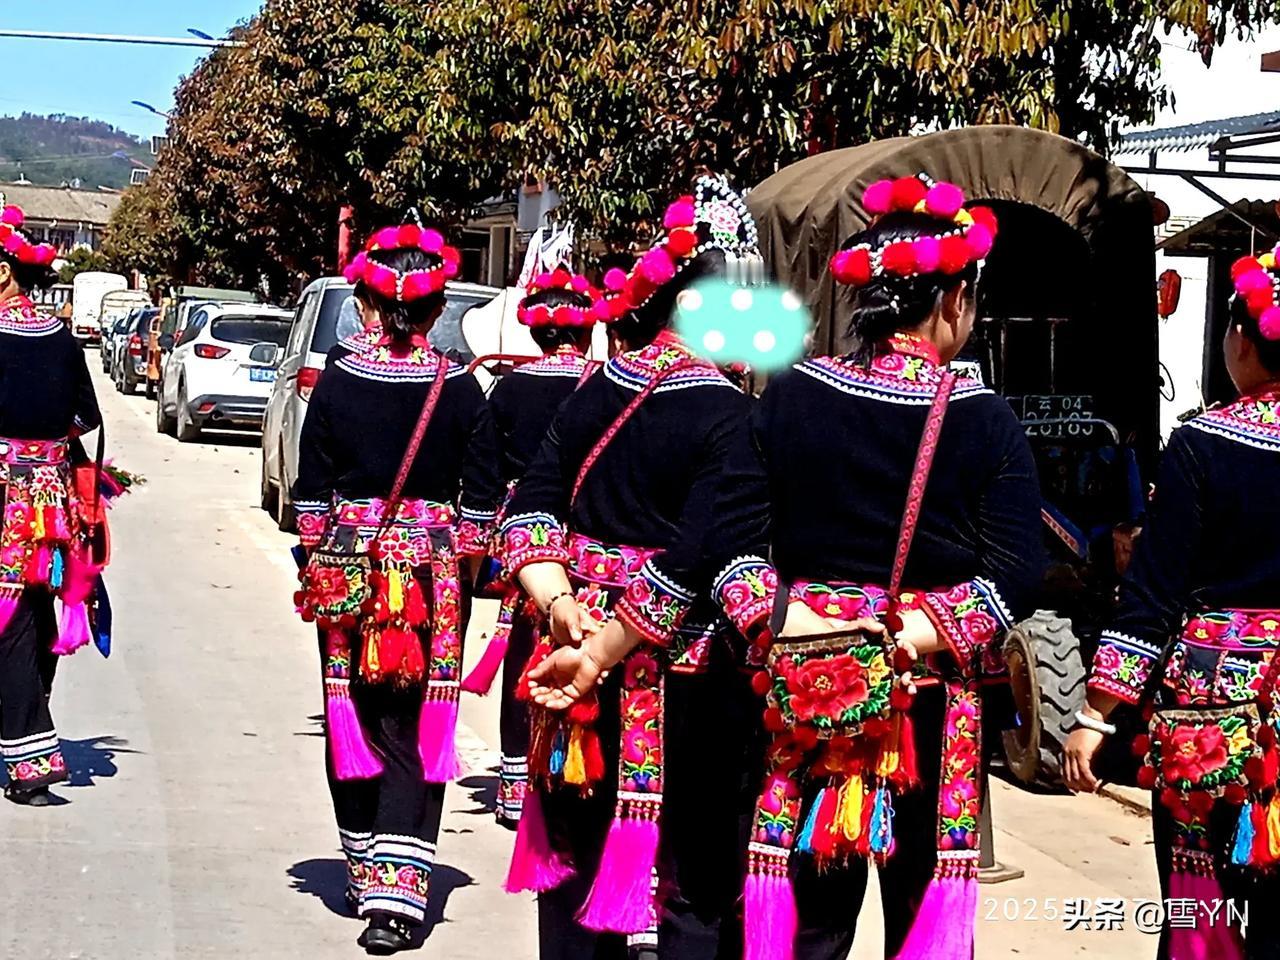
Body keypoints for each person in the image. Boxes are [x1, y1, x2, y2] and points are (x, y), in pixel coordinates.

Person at [625, 175, 1039, 960]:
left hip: (801, 688)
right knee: (922, 902)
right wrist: (909, 637)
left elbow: (734, 543)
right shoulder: (984, 420)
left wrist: (786, 629)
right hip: (927, 702)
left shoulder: (789, 397)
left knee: (807, 918)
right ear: (954, 299)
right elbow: (1014, 572)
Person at [501, 175, 761, 960]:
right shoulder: (731, 416)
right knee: (694, 881)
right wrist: (607, 647)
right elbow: (698, 558)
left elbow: (531, 511)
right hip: (683, 683)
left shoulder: (589, 392)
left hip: (574, 654)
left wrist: (558, 609)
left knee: (573, 863)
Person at [293, 223, 504, 954]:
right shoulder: (461, 390)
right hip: (433, 578)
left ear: (367, 303)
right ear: (436, 305)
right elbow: (480, 505)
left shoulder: (340, 379)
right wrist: (459, 551)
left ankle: (362, 864)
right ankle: (400, 893)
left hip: (349, 566)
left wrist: (317, 556)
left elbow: (310, 495)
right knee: (416, 725)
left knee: (350, 711)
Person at [1065, 249, 1280, 959]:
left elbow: (1152, 593)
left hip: (1216, 711)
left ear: (1241, 340)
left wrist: (1095, 714)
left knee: (1204, 914)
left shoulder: (1202, 445)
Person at [459, 264, 598, 828]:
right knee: (587, 651)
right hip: (588, 544)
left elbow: (483, 472)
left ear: (536, 333)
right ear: (586, 332)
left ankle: (515, 784)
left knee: (524, 650)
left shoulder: (510, 389)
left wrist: (478, 541)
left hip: (526, 541)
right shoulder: (603, 385)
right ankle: (573, 769)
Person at [0, 201, 102, 806]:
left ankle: (29, 752)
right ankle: (25, 732)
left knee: (10, 621)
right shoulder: (61, 337)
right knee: (36, 613)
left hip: (5, 497)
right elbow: (85, 416)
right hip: (54, 499)